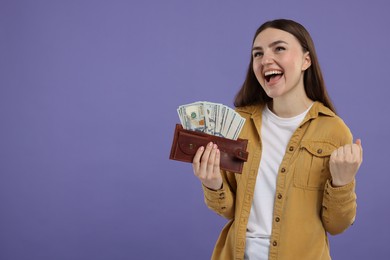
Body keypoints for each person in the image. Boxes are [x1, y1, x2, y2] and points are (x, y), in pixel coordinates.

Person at [192, 19, 363, 260]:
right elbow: (231, 210)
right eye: (257, 54)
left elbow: (337, 225)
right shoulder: (239, 123)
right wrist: (213, 184)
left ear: (306, 60)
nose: (265, 60)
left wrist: (342, 182)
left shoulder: (334, 131)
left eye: (279, 48)